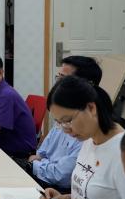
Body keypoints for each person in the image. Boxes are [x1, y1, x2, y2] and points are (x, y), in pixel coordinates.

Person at [25, 55, 103, 191]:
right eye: (58, 78)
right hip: (49, 182)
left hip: (56, 185)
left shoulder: (88, 129)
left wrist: (37, 164)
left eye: (64, 80)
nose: (65, 128)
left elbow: (62, 176)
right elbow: (41, 153)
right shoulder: (66, 112)